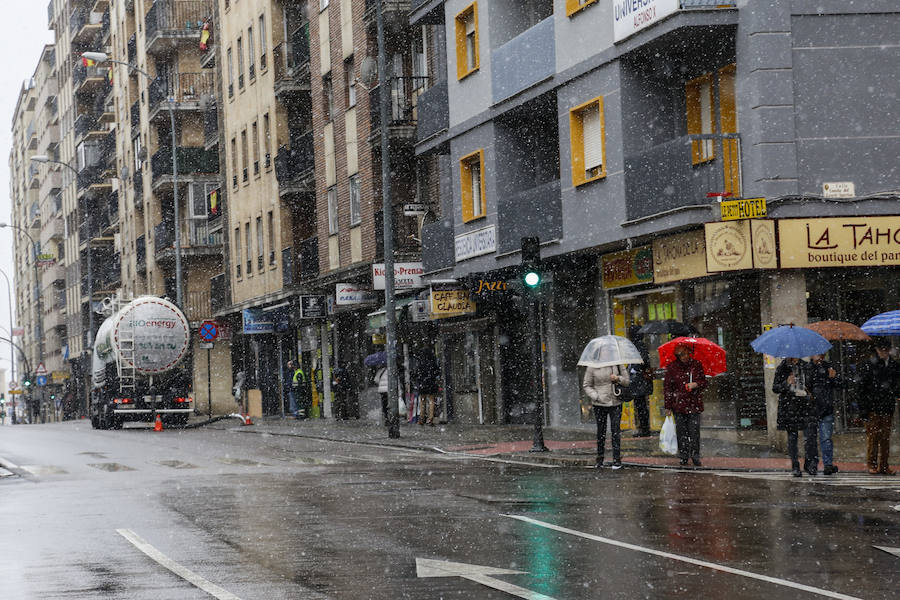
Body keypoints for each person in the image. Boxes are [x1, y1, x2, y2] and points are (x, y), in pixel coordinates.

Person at [858, 338, 900, 475]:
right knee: (873, 438)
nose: (884, 352)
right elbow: (862, 388)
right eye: (882, 350)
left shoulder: (894, 365)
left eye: (886, 350)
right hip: (873, 407)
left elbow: (896, 385)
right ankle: (873, 464)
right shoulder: (869, 365)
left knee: (885, 438)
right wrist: (863, 409)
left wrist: (894, 391)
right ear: (877, 350)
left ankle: (884, 465)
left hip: (887, 407)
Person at [663, 343, 708, 467]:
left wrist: (696, 384)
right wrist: (668, 406)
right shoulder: (672, 367)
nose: (683, 357)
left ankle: (695, 456)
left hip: (694, 404)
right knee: (681, 432)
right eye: (680, 354)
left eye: (685, 353)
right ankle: (683, 456)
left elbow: (704, 382)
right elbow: (668, 388)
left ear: (689, 352)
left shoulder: (696, 365)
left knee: (694, 432)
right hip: (678, 405)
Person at [773, 357, 818, 477]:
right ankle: (795, 465)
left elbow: (814, 384)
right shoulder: (782, 368)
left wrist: (809, 390)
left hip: (805, 406)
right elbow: (775, 388)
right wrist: (786, 383)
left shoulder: (807, 367)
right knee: (792, 439)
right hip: (789, 408)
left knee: (810, 438)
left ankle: (809, 464)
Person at [583, 362, 629, 469]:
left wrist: (618, 378)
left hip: (616, 401)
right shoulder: (592, 366)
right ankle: (600, 458)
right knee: (601, 431)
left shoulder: (617, 364)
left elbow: (627, 381)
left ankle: (616, 460)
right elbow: (587, 385)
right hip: (599, 404)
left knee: (616, 431)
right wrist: (596, 396)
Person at [810, 354, 842, 475]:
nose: (820, 356)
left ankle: (828, 464)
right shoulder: (808, 368)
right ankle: (812, 464)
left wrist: (833, 378)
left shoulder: (828, 367)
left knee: (826, 438)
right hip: (812, 409)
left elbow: (840, 384)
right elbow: (806, 385)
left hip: (826, 408)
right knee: (811, 439)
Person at [627, 324, 653, 437]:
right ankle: (644, 428)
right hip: (640, 380)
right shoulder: (638, 345)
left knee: (641, 405)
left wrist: (634, 369)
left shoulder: (638, 345)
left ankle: (644, 429)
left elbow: (643, 361)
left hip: (639, 380)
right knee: (641, 405)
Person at [412, 351, 441, 426]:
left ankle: (421, 418)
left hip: (423, 384)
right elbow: (437, 372)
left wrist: (419, 380)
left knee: (422, 401)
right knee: (431, 401)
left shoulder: (420, 363)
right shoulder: (433, 363)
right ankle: (430, 419)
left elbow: (416, 374)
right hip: (431, 383)